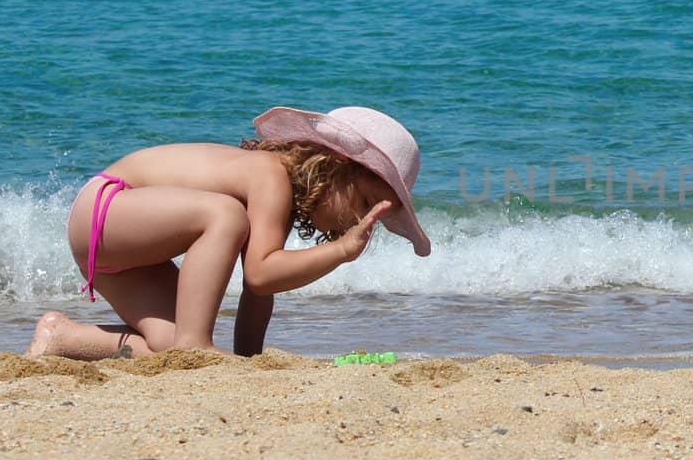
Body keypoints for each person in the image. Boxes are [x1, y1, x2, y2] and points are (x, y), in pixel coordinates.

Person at [26, 106, 430, 359]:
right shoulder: (270, 176)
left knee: (168, 349)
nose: (352, 223)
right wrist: (341, 250)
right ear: (336, 167)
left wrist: (248, 361)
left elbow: (260, 292)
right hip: (106, 208)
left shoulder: (281, 200)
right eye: (361, 204)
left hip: (119, 250)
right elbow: (260, 272)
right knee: (226, 216)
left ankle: (62, 338)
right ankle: (195, 344)